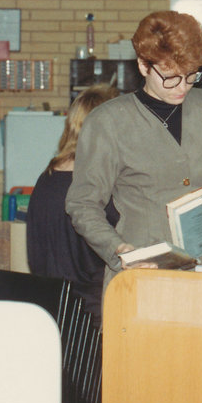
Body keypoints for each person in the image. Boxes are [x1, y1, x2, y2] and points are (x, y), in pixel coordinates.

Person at [65, 10, 202, 285]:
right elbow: (83, 204)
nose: (181, 87)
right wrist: (118, 249)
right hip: (142, 272)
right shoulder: (108, 122)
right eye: (170, 77)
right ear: (143, 66)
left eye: (190, 76)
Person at [26, 84, 120, 326]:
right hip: (95, 320)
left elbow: (36, 260)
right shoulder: (99, 189)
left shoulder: (46, 179)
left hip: (51, 315)